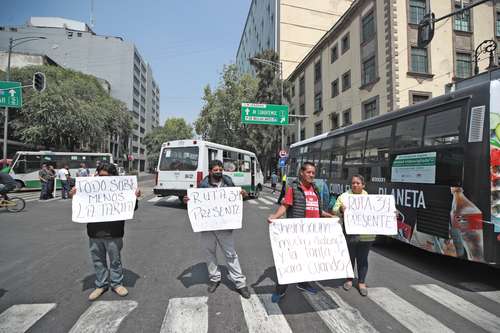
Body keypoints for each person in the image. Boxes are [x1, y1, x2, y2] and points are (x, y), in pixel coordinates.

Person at [69, 163, 141, 301]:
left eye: (106, 177)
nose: (103, 179)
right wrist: (74, 195)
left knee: (115, 260)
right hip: (94, 232)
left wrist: (134, 197)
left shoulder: (121, 188)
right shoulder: (90, 187)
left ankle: (116, 284)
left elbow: (132, 208)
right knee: (98, 260)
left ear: (114, 177)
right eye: (100, 176)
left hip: (114, 232)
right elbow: (80, 203)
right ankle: (101, 285)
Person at [183, 159, 251, 299]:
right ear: (210, 171)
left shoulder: (228, 183)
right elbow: (196, 202)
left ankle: (240, 284)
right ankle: (215, 279)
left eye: (220, 169)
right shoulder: (202, 185)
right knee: (209, 253)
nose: (219, 172)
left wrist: (242, 195)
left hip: (225, 227)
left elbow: (236, 200)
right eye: (216, 170)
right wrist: (188, 201)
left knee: (231, 255)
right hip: (207, 227)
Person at [267, 161, 334, 303]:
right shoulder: (294, 188)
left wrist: (331, 217)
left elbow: (317, 210)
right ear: (302, 173)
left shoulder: (315, 189)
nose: (311, 175)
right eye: (309, 172)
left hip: (313, 234)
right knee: (289, 262)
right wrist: (275, 216)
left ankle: (303, 283)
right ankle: (280, 290)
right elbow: (286, 205)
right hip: (297, 233)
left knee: (307, 260)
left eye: (313, 173)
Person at [332, 174, 373, 297]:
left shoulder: (370, 198)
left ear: (363, 185)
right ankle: (349, 279)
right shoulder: (344, 197)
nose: (355, 185)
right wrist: (340, 210)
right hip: (349, 233)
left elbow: (378, 213)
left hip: (366, 235)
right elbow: (334, 209)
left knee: (363, 259)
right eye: (353, 183)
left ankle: (361, 283)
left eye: (358, 183)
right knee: (349, 257)